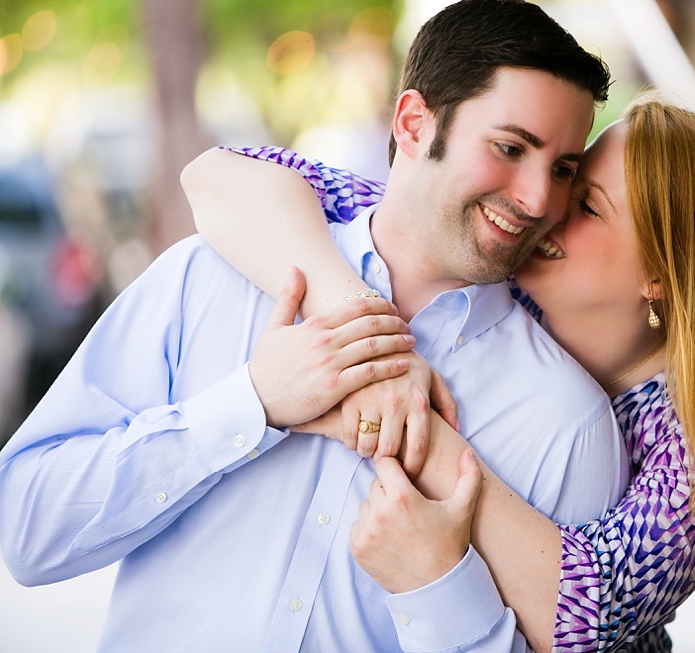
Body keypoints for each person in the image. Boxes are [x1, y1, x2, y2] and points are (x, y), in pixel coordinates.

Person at [0, 2, 630, 652]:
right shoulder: (208, 277)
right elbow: (25, 530)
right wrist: (248, 405)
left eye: (562, 169)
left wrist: (440, 588)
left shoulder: (567, 422)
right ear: (414, 124)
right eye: (510, 148)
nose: (537, 198)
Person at [192, 96, 695, 652]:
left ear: (661, 274)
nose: (542, 206)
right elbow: (220, 173)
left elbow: (584, 612)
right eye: (564, 177)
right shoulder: (508, 270)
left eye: (587, 205)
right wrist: (362, 324)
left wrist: (408, 416)